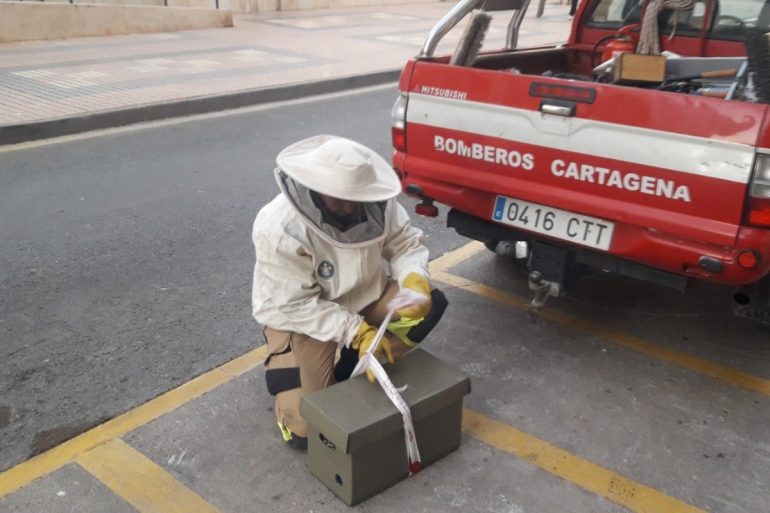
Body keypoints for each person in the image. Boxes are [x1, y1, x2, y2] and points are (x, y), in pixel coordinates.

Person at [251, 135, 448, 450]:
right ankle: (287, 366)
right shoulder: (279, 227)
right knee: (309, 430)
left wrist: (414, 280)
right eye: (339, 198)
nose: (350, 206)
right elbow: (296, 303)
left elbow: (405, 243)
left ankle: (356, 363)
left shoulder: (376, 202)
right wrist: (356, 331)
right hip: (302, 319)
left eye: (356, 198)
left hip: (362, 298)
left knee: (428, 304)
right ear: (315, 188)